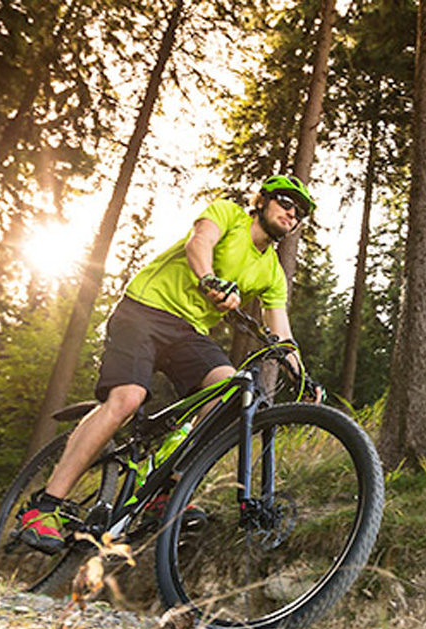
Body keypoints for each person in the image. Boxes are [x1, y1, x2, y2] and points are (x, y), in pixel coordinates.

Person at [17, 175, 318, 554]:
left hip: (188, 332)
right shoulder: (229, 215)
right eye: (287, 202)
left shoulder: (272, 271)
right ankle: (45, 507)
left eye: (300, 211)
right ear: (264, 201)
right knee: (127, 400)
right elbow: (199, 242)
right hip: (144, 310)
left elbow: (282, 334)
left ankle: (164, 486)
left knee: (233, 391)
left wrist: (300, 373)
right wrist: (208, 279)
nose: (293, 213)